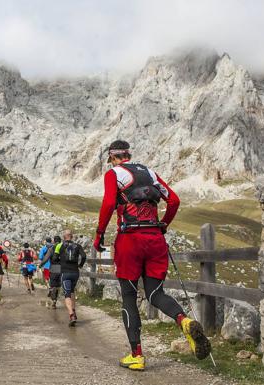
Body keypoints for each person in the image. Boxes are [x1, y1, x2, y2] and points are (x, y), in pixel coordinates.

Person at [93, 139, 211, 371]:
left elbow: (108, 203)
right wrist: (163, 225)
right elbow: (174, 200)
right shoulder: (150, 173)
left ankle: (136, 356)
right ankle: (184, 321)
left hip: (129, 240)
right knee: (156, 293)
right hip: (155, 240)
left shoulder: (114, 174)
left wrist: (99, 235)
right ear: (128, 154)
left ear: (113, 157)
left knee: (129, 296)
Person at [54, 229, 86, 327]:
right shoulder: (77, 246)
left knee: (67, 294)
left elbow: (55, 258)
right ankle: (74, 311)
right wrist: (80, 265)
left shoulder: (59, 246)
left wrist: (61, 260)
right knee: (72, 291)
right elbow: (84, 256)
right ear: (72, 236)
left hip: (65, 273)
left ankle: (71, 315)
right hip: (75, 273)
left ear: (64, 237)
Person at [39, 235, 62, 309]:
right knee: (58, 286)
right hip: (61, 268)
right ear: (60, 241)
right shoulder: (63, 248)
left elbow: (45, 259)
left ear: (54, 241)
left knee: (53, 285)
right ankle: (55, 299)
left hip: (54, 267)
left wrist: (40, 265)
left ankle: (54, 301)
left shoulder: (51, 249)